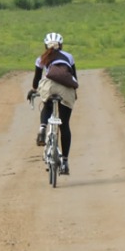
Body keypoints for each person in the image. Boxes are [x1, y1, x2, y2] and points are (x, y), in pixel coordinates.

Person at [26, 32, 78, 175]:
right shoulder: (69, 57)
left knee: (47, 104)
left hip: (49, 87)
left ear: (45, 45)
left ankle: (43, 127)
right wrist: (73, 94)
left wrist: (34, 91)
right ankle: (65, 162)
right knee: (65, 125)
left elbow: (36, 81)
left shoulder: (41, 59)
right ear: (61, 45)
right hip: (66, 89)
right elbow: (73, 78)